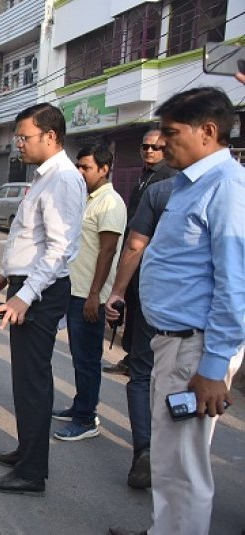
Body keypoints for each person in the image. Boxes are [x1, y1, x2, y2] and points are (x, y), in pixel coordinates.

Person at [106, 87, 245, 535]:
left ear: (208, 131)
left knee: (185, 470)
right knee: (169, 460)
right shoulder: (190, 183)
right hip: (172, 342)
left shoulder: (227, 186)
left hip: (196, 350)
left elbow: (234, 285)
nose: (161, 144)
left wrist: (213, 369)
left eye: (170, 133)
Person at [0, 103, 85, 496]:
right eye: (18, 137)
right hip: (27, 286)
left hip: (39, 293)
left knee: (34, 383)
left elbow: (59, 251)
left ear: (51, 137)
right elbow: (32, 241)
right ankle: (26, 452)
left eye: (25, 137)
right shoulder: (43, 178)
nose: (17, 144)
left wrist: (23, 296)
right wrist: (6, 276)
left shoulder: (63, 180)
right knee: (24, 381)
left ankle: (32, 472)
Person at [102, 176, 175, 489]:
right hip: (195, 310)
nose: (151, 150)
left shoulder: (159, 191)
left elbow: (134, 245)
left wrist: (117, 291)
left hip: (155, 297)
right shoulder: (232, 187)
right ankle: (168, 459)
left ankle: (145, 449)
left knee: (144, 376)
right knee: (178, 384)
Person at [52, 143, 126, 441]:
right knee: (80, 356)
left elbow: (108, 252)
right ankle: (80, 406)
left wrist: (95, 294)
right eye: (78, 166)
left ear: (105, 169)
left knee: (87, 359)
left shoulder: (110, 202)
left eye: (86, 167)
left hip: (89, 295)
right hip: (76, 289)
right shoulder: (88, 198)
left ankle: (86, 420)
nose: (80, 172)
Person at [104, 129, 177, 375]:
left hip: (149, 259)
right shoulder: (144, 176)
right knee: (132, 310)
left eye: (155, 147)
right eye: (145, 147)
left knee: (145, 315)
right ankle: (132, 358)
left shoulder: (168, 179)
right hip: (134, 256)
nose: (149, 151)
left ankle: (141, 365)